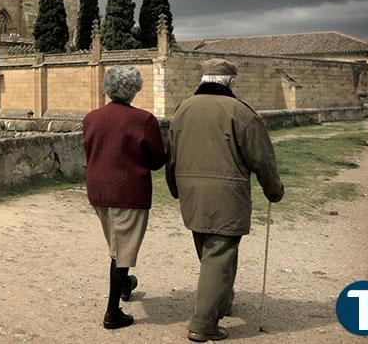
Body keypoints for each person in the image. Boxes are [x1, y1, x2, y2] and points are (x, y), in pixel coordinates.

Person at [167, 59, 285, 342]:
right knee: (219, 256)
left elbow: (171, 153)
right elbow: (262, 158)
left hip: (191, 192)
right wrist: (274, 190)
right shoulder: (241, 112)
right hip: (227, 195)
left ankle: (221, 301)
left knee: (210, 251)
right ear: (230, 82)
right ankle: (203, 324)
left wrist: (174, 188)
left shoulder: (183, 109)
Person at [83, 65, 167, 329]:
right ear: (134, 90)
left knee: (118, 246)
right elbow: (156, 161)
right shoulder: (143, 120)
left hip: (98, 191)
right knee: (121, 253)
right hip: (128, 192)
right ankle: (112, 313)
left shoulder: (91, 117)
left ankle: (125, 284)